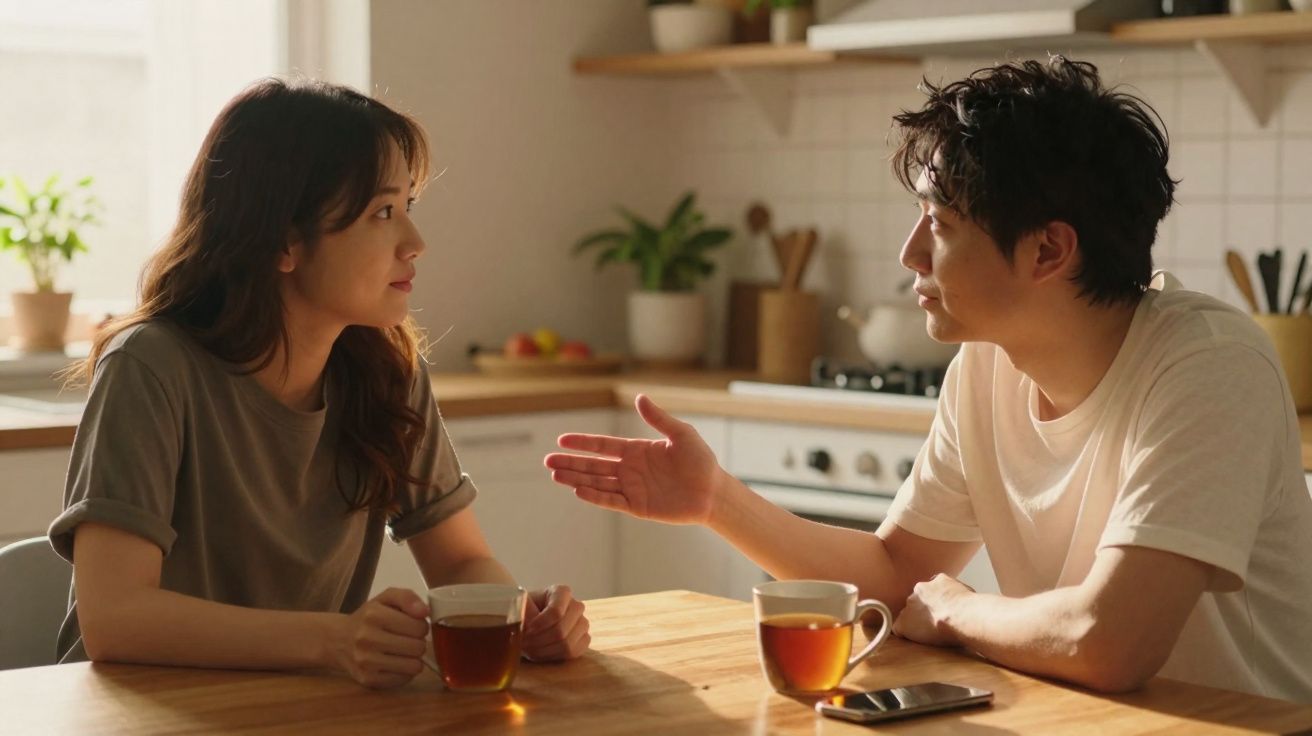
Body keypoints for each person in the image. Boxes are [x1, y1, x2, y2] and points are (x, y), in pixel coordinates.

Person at [545, 57, 1312, 703]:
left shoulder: (1208, 365)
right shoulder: (986, 364)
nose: (911, 254)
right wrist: (718, 500)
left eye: (940, 225)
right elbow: (897, 575)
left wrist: (958, 612)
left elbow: (1106, 642)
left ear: (1048, 251)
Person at [48, 78, 590, 688]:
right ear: (283, 241)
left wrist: (516, 620)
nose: (416, 243)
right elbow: (115, 617)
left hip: (302, 708)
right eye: (383, 213)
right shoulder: (151, 366)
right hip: (137, 713)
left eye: (408, 208)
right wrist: (333, 640)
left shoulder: (385, 370)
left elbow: (461, 559)